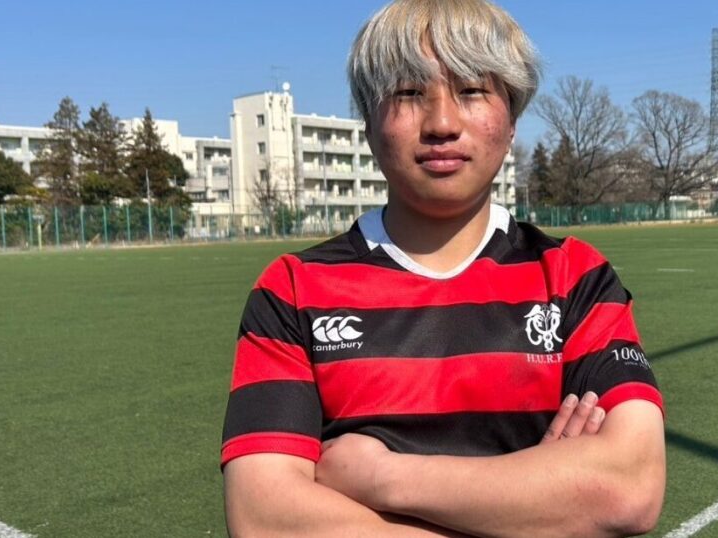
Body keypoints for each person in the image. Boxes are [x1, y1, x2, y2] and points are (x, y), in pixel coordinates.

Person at [221, 1, 666, 536]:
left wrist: (382, 477)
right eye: (409, 93)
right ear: (368, 123)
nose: (442, 123)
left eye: (472, 90)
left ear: (512, 119)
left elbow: (628, 488)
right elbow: (265, 518)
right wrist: (534, 504)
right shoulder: (292, 290)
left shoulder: (576, 278)